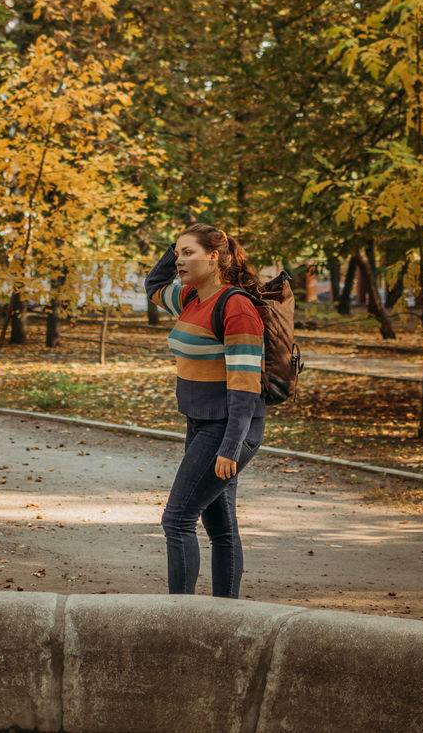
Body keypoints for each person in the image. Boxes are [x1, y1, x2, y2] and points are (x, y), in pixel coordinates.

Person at [144, 223, 265, 598]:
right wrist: (176, 244)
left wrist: (231, 446)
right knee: (221, 526)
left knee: (177, 519)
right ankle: (224, 617)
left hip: (229, 428)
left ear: (214, 257)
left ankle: (182, 618)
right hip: (200, 424)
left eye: (188, 253)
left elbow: (246, 385)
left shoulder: (237, 307)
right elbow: (153, 285)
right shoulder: (191, 300)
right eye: (177, 253)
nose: (179, 261)